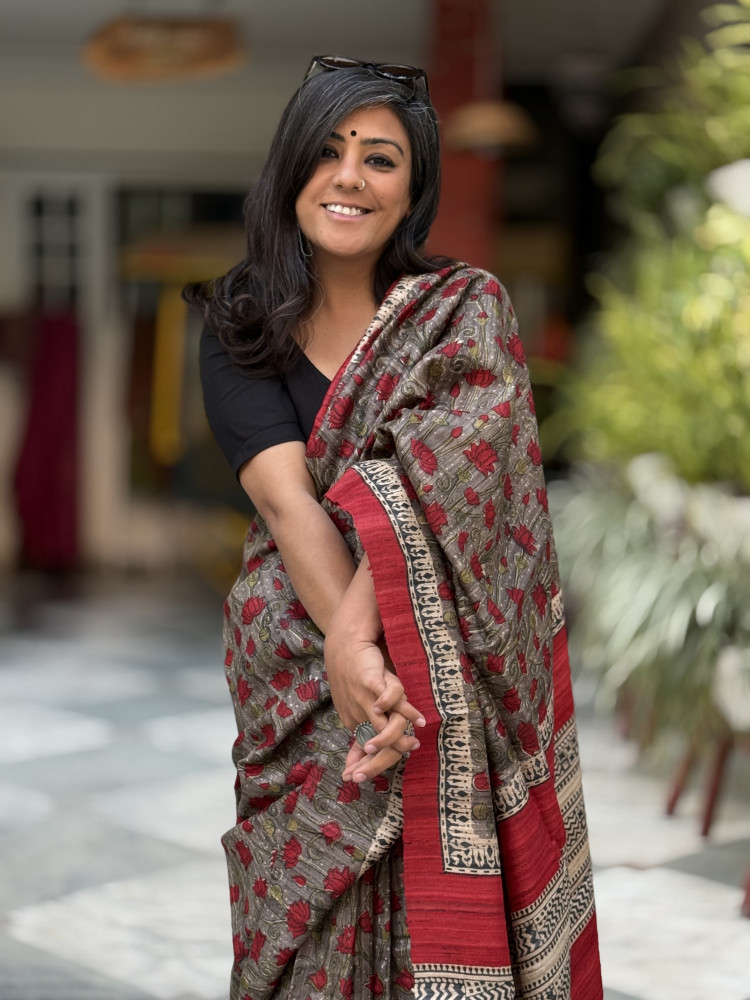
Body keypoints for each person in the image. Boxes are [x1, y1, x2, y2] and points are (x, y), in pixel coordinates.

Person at [187, 55, 603, 1000]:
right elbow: (287, 502)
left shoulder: (464, 313)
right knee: (302, 944)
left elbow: (451, 488)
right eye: (327, 151)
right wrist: (352, 660)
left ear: (414, 190)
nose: (350, 177)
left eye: (380, 158)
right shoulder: (241, 320)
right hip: (293, 673)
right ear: (290, 168)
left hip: (432, 668)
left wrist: (359, 645)